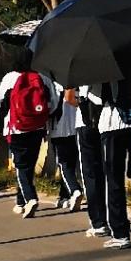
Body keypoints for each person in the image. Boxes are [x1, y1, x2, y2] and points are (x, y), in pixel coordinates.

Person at [0, 49, 58, 217]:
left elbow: (0, 105)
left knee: (21, 166)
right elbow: (53, 103)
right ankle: (20, 202)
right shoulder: (43, 77)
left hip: (16, 128)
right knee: (28, 164)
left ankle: (30, 198)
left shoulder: (9, 78)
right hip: (37, 127)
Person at [78, 77, 131, 250]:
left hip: (112, 124)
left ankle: (120, 233)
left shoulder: (99, 71)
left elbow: (96, 99)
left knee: (113, 180)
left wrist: (83, 97)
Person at [46, 74, 83, 211]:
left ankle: (75, 190)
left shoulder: (54, 82)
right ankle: (64, 196)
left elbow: (54, 104)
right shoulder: (79, 79)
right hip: (76, 125)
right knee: (71, 163)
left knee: (63, 164)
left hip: (59, 128)